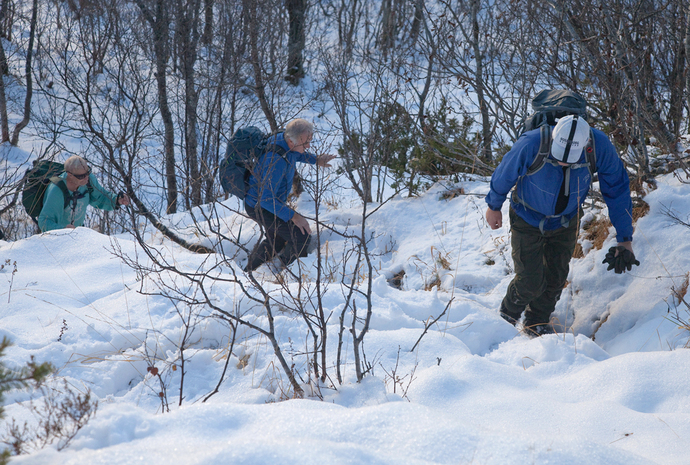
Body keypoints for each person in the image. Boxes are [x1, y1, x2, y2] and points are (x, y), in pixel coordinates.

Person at [485, 114, 639, 335]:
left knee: (555, 278)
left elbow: (617, 190)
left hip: (566, 221)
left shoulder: (599, 147)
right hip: (527, 216)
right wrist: (494, 205)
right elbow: (505, 173)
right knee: (530, 280)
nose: (564, 162)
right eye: (559, 156)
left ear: (585, 144)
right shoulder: (532, 143)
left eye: (570, 158)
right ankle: (504, 320)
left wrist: (625, 238)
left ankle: (536, 323)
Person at [243, 118, 335, 272]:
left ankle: (249, 272)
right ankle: (289, 275)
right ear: (291, 142)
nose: (308, 146)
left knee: (277, 239)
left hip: (270, 202)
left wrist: (316, 160)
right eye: (305, 143)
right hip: (260, 206)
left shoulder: (285, 142)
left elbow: (297, 154)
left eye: (309, 141)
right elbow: (266, 200)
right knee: (300, 235)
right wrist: (293, 215)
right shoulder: (275, 161)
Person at [38, 155, 130, 232]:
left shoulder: (88, 180)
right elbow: (44, 221)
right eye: (81, 176)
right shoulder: (56, 191)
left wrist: (116, 200)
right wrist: (63, 230)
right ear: (70, 175)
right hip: (58, 240)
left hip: (78, 235)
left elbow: (100, 198)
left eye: (88, 173)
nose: (86, 178)